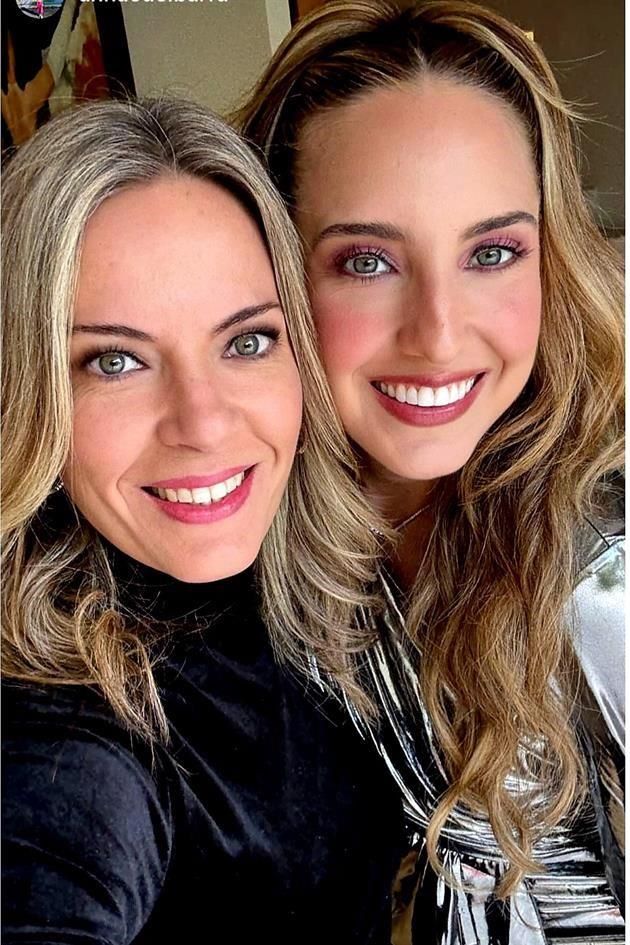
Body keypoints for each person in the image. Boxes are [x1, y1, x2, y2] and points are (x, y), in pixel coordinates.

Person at [235, 2, 625, 941]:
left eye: (492, 252)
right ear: (274, 271)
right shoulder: (233, 532)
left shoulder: (606, 565)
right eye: (368, 261)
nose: (439, 334)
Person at [1, 97, 407, 944]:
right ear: (30, 395)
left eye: (246, 341)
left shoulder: (333, 583)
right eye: (115, 360)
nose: (204, 422)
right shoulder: (67, 737)